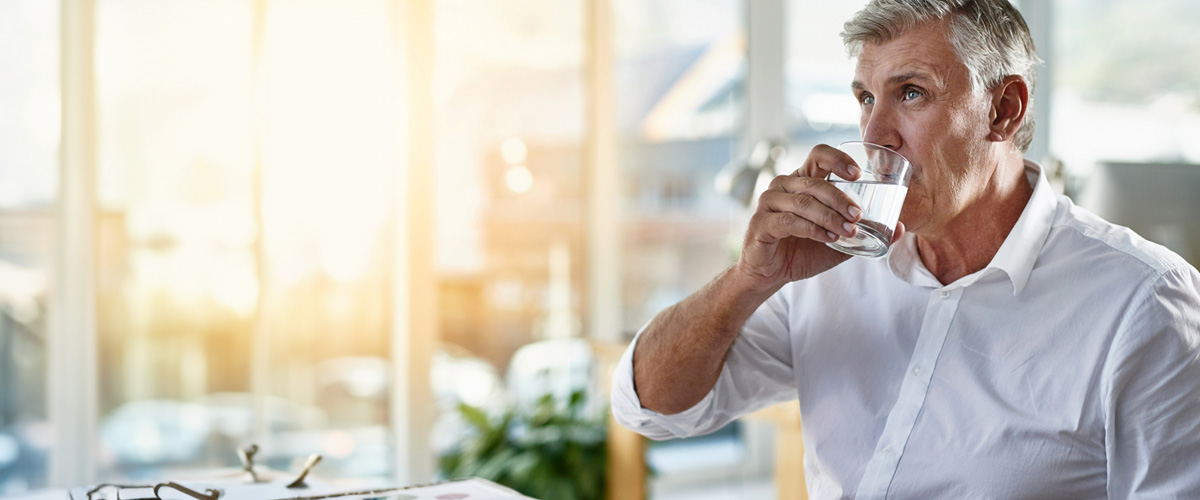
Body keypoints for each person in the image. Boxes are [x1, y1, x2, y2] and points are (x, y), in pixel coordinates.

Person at [610, 0, 1200, 498]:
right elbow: (652, 409)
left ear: (1003, 109)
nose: (873, 137)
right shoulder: (829, 264)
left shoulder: (1144, 303)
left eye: (911, 93)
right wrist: (748, 280)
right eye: (866, 98)